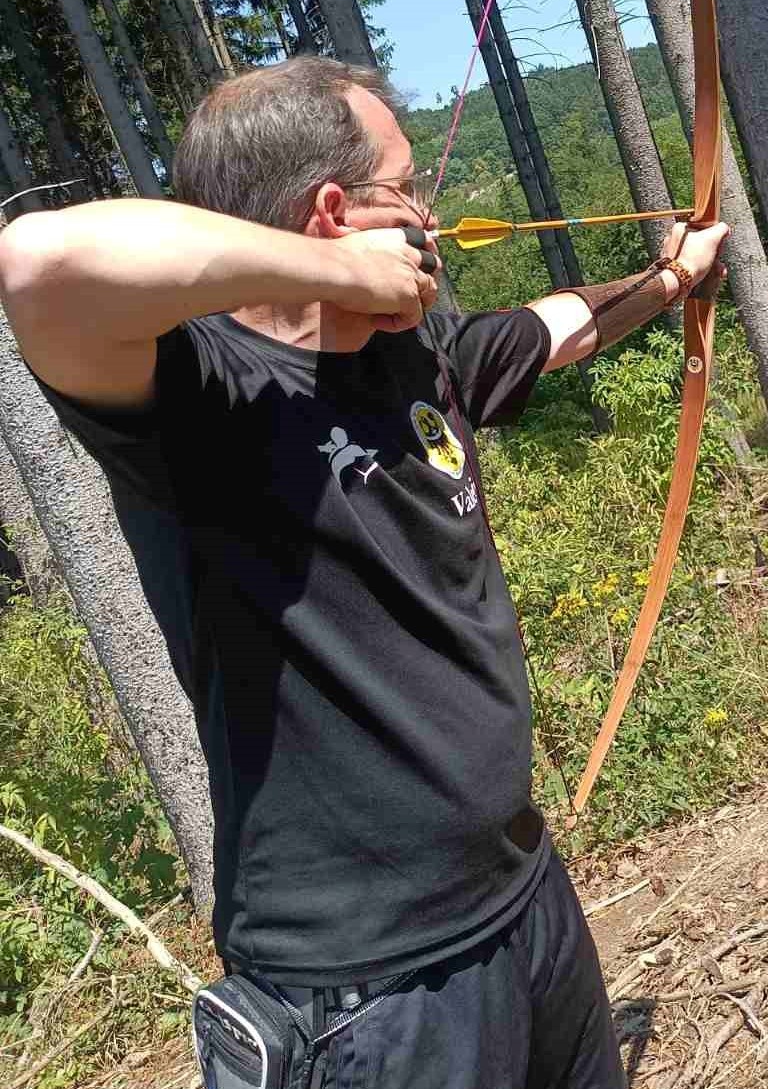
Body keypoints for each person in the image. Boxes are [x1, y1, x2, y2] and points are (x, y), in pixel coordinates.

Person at [0, 55, 728, 1088]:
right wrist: (338, 273)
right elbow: (39, 261)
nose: (427, 216)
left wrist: (669, 281)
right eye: (406, 187)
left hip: (522, 902)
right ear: (335, 214)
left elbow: (545, 329)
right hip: (366, 991)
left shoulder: (412, 355)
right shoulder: (198, 396)